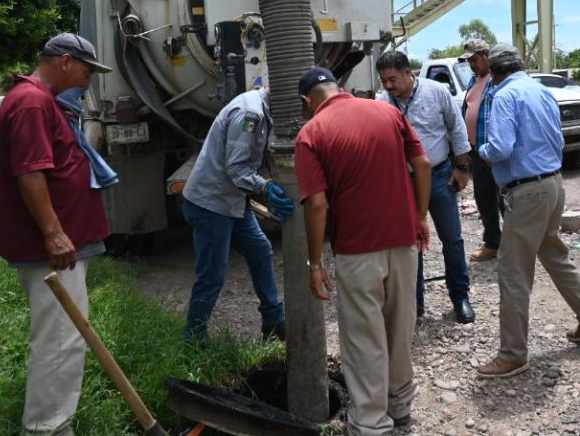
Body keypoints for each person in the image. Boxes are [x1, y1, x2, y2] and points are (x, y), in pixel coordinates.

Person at [295, 67, 431, 435]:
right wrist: (420, 217)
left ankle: (371, 424)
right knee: (400, 328)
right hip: (404, 243)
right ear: (339, 88)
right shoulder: (387, 111)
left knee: (363, 338)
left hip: (357, 251)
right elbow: (422, 163)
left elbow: (317, 205)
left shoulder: (312, 132)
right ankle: (400, 407)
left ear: (309, 102)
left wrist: (314, 262)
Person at [0, 32, 114, 436]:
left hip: (57, 248)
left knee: (64, 338)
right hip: (52, 251)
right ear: (64, 62)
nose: (87, 81)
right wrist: (54, 233)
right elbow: (29, 170)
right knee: (60, 342)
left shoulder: (37, 100)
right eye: (86, 71)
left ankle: (52, 423)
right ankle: (48, 428)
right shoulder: (31, 103)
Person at [475, 44, 580, 379]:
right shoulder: (542, 91)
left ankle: (512, 355)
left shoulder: (504, 96)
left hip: (527, 191)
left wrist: (480, 149)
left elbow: (501, 148)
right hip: (552, 185)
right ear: (520, 65)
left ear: (493, 73)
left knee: (513, 272)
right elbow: (558, 140)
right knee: (554, 254)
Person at [181, 86, 293, 342]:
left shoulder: (262, 109)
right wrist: (264, 187)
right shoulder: (249, 114)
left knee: (260, 251)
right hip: (211, 204)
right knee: (212, 275)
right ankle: (193, 338)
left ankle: (274, 321)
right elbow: (236, 167)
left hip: (232, 201)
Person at [376, 51, 475, 323]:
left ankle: (460, 297)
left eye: (393, 79)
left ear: (410, 73)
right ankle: (414, 303)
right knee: (411, 244)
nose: (388, 86)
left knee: (452, 239)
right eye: (384, 80)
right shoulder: (382, 103)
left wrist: (462, 167)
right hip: (404, 182)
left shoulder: (437, 92)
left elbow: (456, 128)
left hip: (440, 176)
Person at [458, 39, 503, 262]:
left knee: (505, 198)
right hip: (476, 149)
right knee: (484, 198)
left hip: (496, 149)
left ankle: (516, 246)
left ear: (486, 55)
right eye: (469, 61)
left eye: (474, 60)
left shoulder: (498, 79)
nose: (472, 65)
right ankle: (493, 243)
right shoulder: (473, 81)